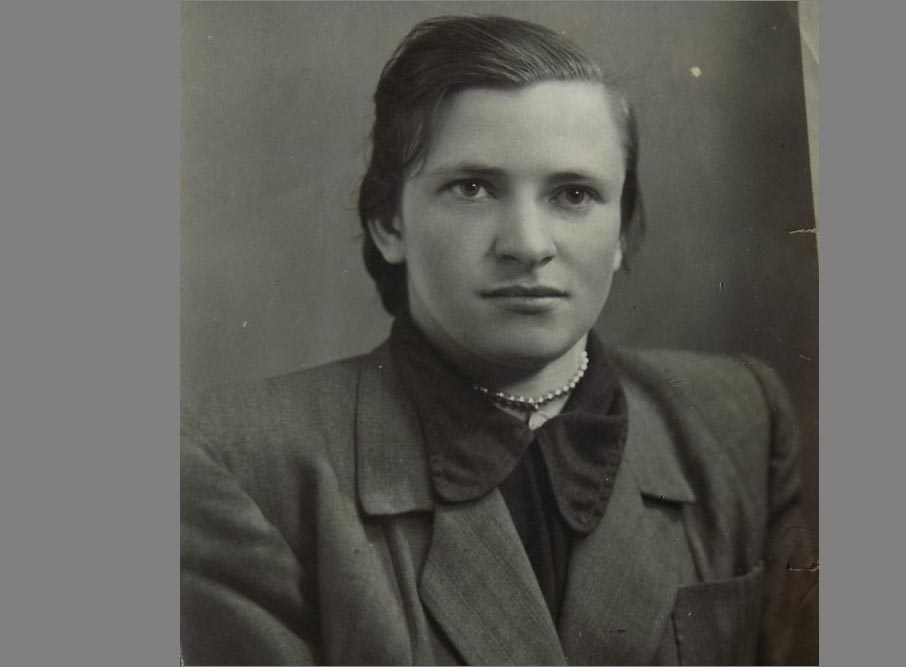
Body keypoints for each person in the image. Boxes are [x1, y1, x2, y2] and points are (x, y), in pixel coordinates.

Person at [181, 14, 817, 666]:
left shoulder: (737, 419)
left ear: (621, 231)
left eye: (573, 194)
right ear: (388, 223)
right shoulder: (245, 464)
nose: (527, 245)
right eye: (473, 188)